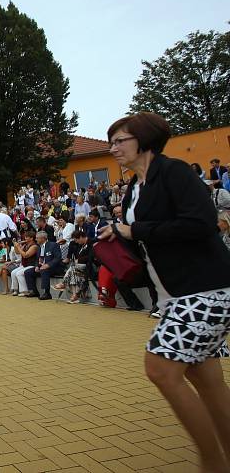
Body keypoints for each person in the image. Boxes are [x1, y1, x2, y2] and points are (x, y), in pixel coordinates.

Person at [99, 112, 230, 473]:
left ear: (143, 140)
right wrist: (119, 233)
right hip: (174, 294)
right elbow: (140, 232)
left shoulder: (173, 172)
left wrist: (133, 230)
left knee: (160, 369)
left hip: (204, 289)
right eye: (111, 142)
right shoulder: (134, 188)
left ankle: (213, 462)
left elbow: (201, 222)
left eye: (119, 141)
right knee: (206, 379)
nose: (113, 149)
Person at [23, 231, 63, 299]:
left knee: (44, 270)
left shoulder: (53, 245)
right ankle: (34, 291)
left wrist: (48, 265)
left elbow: (58, 258)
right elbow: (37, 259)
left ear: (43, 238)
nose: (36, 239)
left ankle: (47, 293)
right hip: (42, 267)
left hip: (54, 268)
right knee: (28, 272)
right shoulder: (39, 247)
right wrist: (36, 266)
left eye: (37, 238)